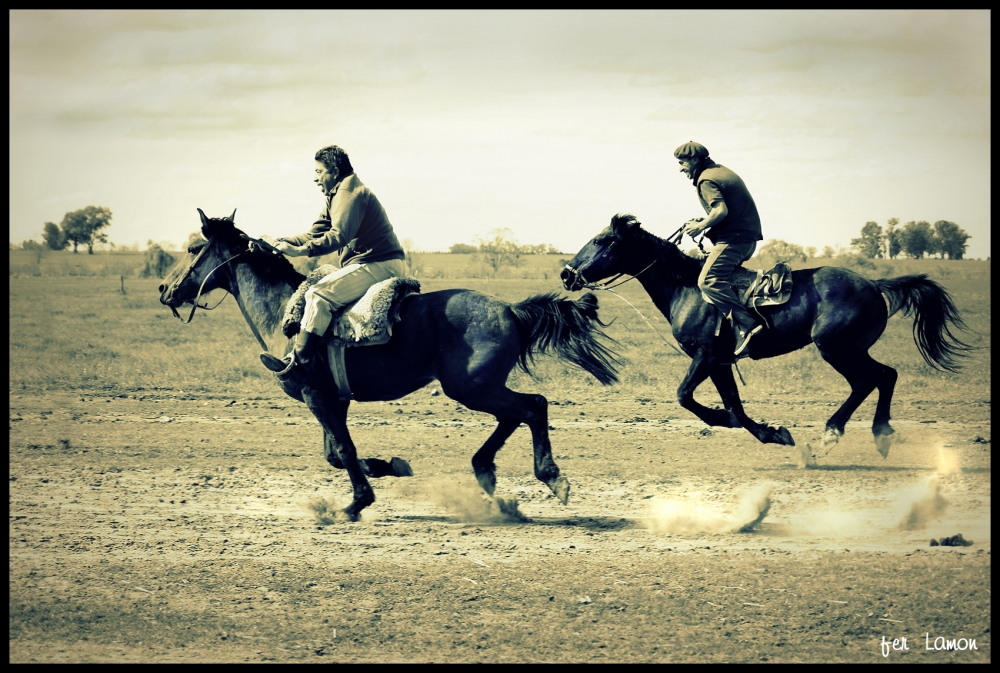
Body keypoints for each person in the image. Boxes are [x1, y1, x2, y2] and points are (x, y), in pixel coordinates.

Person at [260, 145, 406, 374]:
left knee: (317, 295)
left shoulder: (349, 194)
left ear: (335, 171)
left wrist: (300, 251)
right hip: (371, 263)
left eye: (319, 172)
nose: (315, 179)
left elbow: (339, 236)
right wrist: (278, 242)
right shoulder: (336, 195)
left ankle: (299, 365)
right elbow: (313, 234)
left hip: (378, 264)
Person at [675, 141, 764, 358]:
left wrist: (701, 226)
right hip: (744, 239)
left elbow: (721, 210)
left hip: (735, 241)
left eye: (682, 163)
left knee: (707, 281)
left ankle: (749, 327)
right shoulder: (718, 171)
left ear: (695, 160)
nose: (680, 168)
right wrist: (704, 220)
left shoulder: (706, 179)